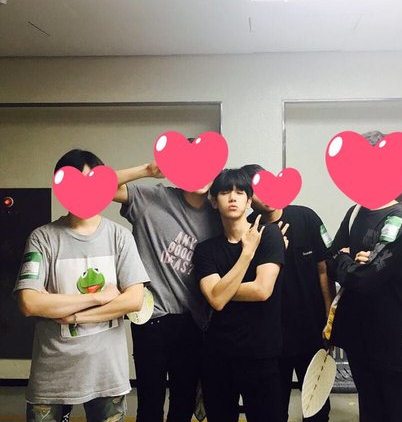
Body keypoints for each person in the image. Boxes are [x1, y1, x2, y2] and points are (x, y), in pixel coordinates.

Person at [14, 149, 149, 422]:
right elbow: (29, 303)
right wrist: (100, 298)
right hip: (52, 375)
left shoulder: (120, 237)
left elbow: (134, 300)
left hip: (106, 375)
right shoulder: (43, 238)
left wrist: (72, 315)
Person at [114, 151, 223, 422]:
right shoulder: (152, 198)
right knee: (149, 404)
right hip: (151, 319)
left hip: (195, 321)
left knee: (183, 404)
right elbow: (94, 188)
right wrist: (147, 170)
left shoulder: (218, 213)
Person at [326, 131, 402, 422]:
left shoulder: (399, 218)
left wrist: (345, 260)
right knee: (370, 411)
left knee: (400, 413)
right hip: (359, 336)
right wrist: (348, 260)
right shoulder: (355, 212)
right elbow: (330, 258)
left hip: (392, 339)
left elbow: (367, 280)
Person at [242, 164, 336, 422]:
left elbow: (324, 270)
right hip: (271, 336)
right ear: (248, 200)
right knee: (272, 408)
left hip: (311, 330)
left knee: (316, 408)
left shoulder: (306, 217)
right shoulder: (248, 230)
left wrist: (329, 319)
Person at [192, 168, 285, 422]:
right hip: (218, 355)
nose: (232, 197)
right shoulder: (205, 250)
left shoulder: (269, 235)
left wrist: (220, 289)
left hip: (262, 354)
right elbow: (216, 301)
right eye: (225, 192)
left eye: (240, 192)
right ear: (214, 201)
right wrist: (247, 254)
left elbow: (262, 290)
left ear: (249, 201)